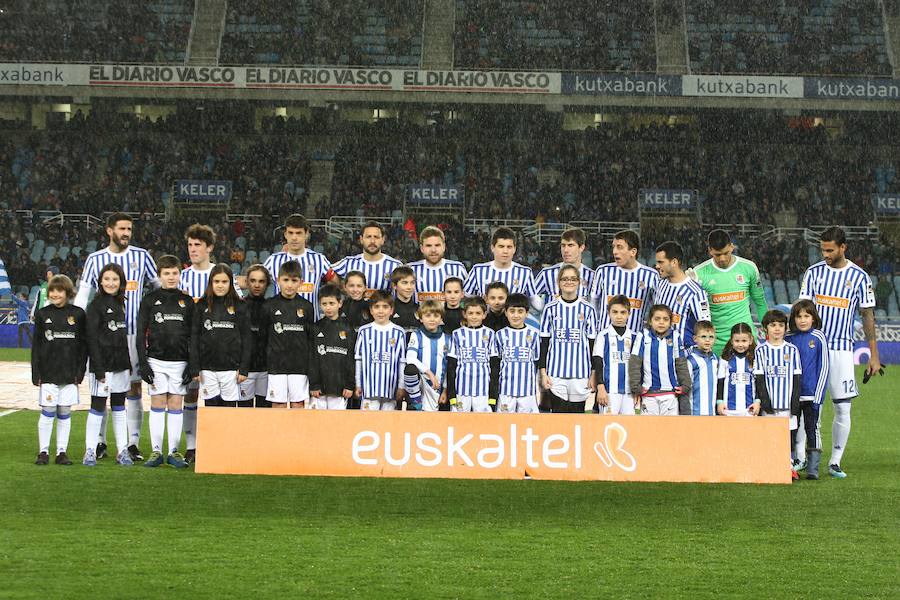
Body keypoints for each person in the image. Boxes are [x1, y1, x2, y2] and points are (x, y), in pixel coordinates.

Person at [798, 226, 881, 478]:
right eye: (822, 249)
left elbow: (867, 315)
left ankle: (835, 461)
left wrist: (873, 355)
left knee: (843, 407)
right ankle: (800, 457)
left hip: (842, 349)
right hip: (813, 348)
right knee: (809, 405)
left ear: (843, 247)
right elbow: (801, 309)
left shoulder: (859, 277)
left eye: (830, 250)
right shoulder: (813, 273)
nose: (825, 254)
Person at [75, 213, 159, 462]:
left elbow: (157, 287)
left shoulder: (141, 256)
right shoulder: (95, 259)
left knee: (133, 389)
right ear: (109, 230)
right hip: (103, 336)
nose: (126, 233)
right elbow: (83, 294)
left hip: (132, 335)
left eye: (129, 229)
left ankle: (131, 444)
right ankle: (99, 443)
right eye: (122, 228)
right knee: (101, 390)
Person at [135, 255, 193, 468]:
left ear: (180, 274)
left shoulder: (187, 301)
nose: (171, 277)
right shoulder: (150, 300)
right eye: (166, 273)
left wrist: (192, 364)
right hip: (156, 360)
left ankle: (174, 452)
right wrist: (143, 363)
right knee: (158, 403)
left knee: (176, 403)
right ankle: (156, 451)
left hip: (180, 362)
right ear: (159, 276)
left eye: (175, 273)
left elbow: (193, 335)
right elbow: (140, 333)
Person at [31, 274, 86, 466]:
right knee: (47, 411)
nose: (55, 294)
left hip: (69, 373)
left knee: (64, 412)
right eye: (52, 290)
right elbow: (36, 346)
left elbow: (82, 346)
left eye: (59, 290)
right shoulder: (42, 314)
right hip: (48, 372)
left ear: (68, 292)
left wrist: (80, 371)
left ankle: (61, 452)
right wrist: (35, 372)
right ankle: (43, 451)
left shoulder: (78, 314)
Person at [84, 263, 133, 466]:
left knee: (120, 406)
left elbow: (122, 338)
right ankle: (90, 450)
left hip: (120, 365)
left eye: (115, 279)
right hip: (102, 367)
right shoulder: (95, 306)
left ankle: (122, 450)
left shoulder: (122, 303)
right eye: (107, 279)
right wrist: (97, 366)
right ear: (100, 281)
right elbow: (91, 339)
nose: (111, 283)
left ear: (121, 282)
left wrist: (128, 363)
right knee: (97, 406)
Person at [691, 229, 768, 356]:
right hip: (715, 345)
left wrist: (767, 329)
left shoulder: (748, 268)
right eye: (717, 254)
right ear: (710, 250)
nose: (722, 259)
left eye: (726, 253)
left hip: (746, 341)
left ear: (732, 247)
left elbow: (760, 302)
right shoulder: (699, 273)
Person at [189, 265, 252, 418]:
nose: (220, 285)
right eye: (216, 281)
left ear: (231, 283)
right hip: (207, 370)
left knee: (229, 414)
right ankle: (211, 443)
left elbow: (247, 339)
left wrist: (244, 368)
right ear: (211, 282)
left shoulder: (240, 306)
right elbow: (194, 338)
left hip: (231, 370)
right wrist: (195, 367)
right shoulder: (202, 305)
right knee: (211, 413)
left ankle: (229, 442)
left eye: (224, 282)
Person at [539, 265, 598, 413]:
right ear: (559, 282)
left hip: (581, 375)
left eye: (573, 279)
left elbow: (592, 345)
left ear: (579, 282)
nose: (569, 282)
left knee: (578, 419)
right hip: (555, 374)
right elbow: (544, 343)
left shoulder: (588, 309)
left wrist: (593, 373)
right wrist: (543, 373)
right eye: (565, 279)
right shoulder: (550, 308)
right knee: (558, 418)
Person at [259, 261, 316, 409]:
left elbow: (310, 338)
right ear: (278, 280)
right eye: (285, 280)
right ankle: (278, 433)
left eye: (294, 280)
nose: (289, 285)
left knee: (298, 404)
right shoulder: (268, 305)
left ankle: (296, 433)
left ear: (301, 282)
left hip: (299, 366)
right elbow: (263, 337)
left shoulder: (307, 307)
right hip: (276, 365)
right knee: (278, 404)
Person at [754, 309, 802, 481]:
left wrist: (795, 402)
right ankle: (770, 466)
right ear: (766, 328)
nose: (777, 329)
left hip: (788, 405)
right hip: (770, 406)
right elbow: (759, 377)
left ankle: (789, 467)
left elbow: (797, 377)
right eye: (773, 325)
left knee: (788, 437)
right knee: (769, 436)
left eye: (781, 325)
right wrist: (765, 400)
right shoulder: (761, 350)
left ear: (785, 328)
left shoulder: (792, 350)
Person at [787, 300, 830, 480]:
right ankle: (792, 464)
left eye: (807, 316)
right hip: (792, 396)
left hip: (812, 395)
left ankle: (813, 468)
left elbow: (824, 367)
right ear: (793, 319)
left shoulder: (818, 337)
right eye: (799, 316)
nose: (803, 320)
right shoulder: (788, 338)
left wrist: (818, 395)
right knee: (791, 430)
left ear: (813, 318)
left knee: (812, 429)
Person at [263, 214, 336, 319]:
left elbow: (337, 284)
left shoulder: (319, 260)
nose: (294, 237)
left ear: (306, 234)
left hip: (310, 327)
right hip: (281, 327)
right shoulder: (273, 260)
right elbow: (255, 281)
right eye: (291, 233)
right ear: (285, 234)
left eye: (298, 233)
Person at [591, 230, 659, 334]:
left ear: (633, 252)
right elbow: (594, 304)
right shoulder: (603, 271)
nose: (614, 251)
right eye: (613, 247)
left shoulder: (651, 275)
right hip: (605, 341)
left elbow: (657, 309)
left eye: (619, 247)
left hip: (635, 342)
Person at [629, 304, 691, 416]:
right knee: (649, 430)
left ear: (670, 322)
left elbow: (681, 363)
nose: (661, 322)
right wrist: (635, 386)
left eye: (665, 319)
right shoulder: (643, 335)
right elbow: (635, 362)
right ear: (650, 321)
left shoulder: (675, 336)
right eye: (657, 319)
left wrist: (685, 385)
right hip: (648, 393)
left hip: (669, 393)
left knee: (670, 430)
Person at [354, 291, 407, 411]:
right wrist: (358, 384)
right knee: (368, 425)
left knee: (387, 426)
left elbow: (402, 362)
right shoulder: (364, 331)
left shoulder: (399, 332)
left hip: (391, 391)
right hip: (368, 390)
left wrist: (401, 386)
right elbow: (359, 360)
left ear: (391, 310)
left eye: (385, 307)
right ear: (371, 310)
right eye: (377, 307)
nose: (381, 311)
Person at [446, 296, 498, 412]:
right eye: (470, 313)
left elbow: (494, 366)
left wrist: (492, 397)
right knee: (459, 425)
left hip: (483, 392)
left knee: (483, 426)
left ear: (484, 315)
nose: (474, 317)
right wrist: (452, 395)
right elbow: (451, 366)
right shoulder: (457, 334)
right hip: (461, 391)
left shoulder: (490, 334)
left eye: (478, 313)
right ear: (464, 314)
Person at [654, 241, 711, 348]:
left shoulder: (695, 292)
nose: (657, 266)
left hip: (682, 357)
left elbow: (706, 328)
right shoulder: (660, 284)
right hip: (658, 353)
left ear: (674, 262)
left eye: (661, 262)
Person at [309, 285, 356, 410]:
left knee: (337, 424)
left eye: (331, 303)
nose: (328, 307)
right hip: (319, 390)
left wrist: (349, 385)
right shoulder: (315, 328)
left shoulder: (348, 329)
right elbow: (312, 359)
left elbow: (351, 359)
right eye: (324, 304)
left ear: (340, 303)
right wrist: (314, 385)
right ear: (320, 305)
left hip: (340, 388)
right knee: (316, 423)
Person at [493, 293, 540, 413]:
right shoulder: (500, 335)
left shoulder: (534, 335)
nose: (516, 315)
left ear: (527, 313)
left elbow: (536, 362)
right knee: (503, 426)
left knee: (528, 426)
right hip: (505, 391)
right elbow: (496, 362)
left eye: (520, 311)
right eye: (512, 311)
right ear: (506, 312)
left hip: (527, 391)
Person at [464, 227, 538, 301]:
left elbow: (534, 300)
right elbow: (465, 297)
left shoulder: (525, 272)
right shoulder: (478, 270)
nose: (505, 251)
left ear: (514, 249)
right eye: (501, 247)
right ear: (492, 248)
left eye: (509, 247)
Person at [592, 295, 636, 416]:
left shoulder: (635, 337)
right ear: (609, 313)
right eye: (615, 312)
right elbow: (598, 362)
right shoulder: (603, 336)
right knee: (607, 427)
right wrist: (600, 388)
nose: (619, 316)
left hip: (629, 392)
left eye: (623, 312)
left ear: (629, 314)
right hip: (609, 391)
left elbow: (639, 366)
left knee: (629, 428)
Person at [403, 300, 450, 412]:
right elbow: (410, 358)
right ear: (421, 318)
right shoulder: (416, 335)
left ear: (441, 319)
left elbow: (449, 366)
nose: (432, 319)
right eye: (428, 315)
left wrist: (445, 390)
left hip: (436, 386)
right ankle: (416, 403)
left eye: (436, 315)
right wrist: (429, 373)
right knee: (410, 369)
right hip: (420, 382)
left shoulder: (448, 339)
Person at [332, 221, 401, 297]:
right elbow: (326, 271)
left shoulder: (395, 266)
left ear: (383, 240)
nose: (372, 241)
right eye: (368, 237)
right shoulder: (348, 263)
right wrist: (343, 288)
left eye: (376, 237)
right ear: (361, 239)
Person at [534, 228, 594, 309]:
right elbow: (531, 295)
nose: (565, 250)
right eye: (563, 245)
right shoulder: (547, 273)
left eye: (570, 245)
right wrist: (542, 308)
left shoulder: (592, 276)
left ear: (581, 247)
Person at [408, 226, 468, 303]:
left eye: (437, 245)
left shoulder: (458, 269)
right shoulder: (411, 269)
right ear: (421, 248)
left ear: (444, 247)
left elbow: (466, 299)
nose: (433, 250)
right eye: (428, 246)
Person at [241, 265, 271, 408]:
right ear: (247, 282)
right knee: (243, 414)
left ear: (267, 283)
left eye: (261, 281)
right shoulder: (239, 306)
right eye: (253, 281)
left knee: (264, 415)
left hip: (266, 370)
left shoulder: (271, 307)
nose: (257, 285)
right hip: (244, 371)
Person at [716, 323, 760, 417]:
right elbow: (720, 382)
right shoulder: (725, 359)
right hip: (728, 410)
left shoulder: (755, 359)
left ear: (750, 340)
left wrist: (757, 401)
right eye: (737, 341)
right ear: (731, 341)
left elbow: (758, 383)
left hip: (749, 409)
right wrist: (719, 402)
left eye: (744, 341)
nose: (740, 344)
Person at [685, 321, 719, 416]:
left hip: (712, 413)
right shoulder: (691, 360)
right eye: (703, 337)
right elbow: (686, 387)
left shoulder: (715, 359)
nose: (707, 340)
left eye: (711, 337)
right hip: (694, 412)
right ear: (695, 338)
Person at [390, 266, 419, 336]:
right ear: (394, 286)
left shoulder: (420, 309)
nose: (409, 287)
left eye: (412, 283)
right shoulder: (389, 310)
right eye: (404, 283)